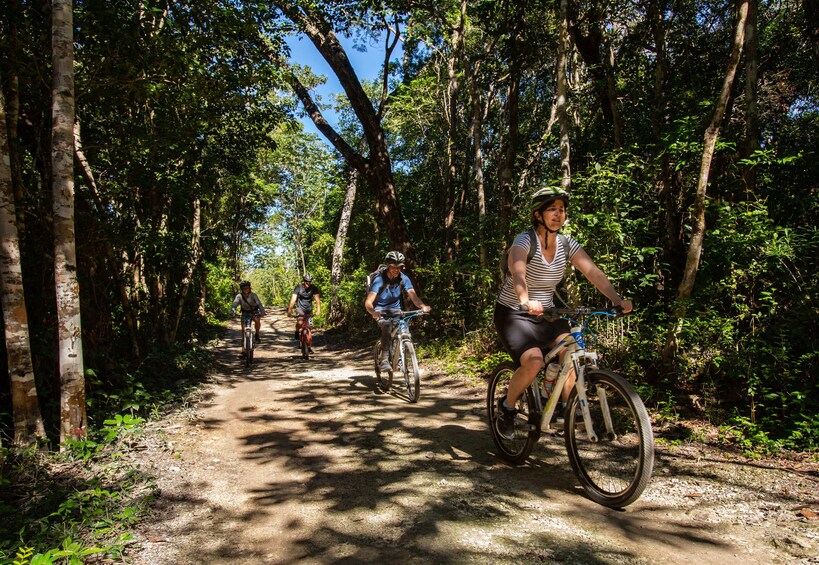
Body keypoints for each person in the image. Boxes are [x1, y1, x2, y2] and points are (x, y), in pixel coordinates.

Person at [493, 186, 633, 440]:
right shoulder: (524, 241)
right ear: (538, 215)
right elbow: (518, 272)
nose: (559, 214)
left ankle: (568, 412)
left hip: (548, 313)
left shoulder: (567, 244)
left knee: (572, 352)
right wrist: (526, 300)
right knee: (534, 361)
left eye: (562, 210)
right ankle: (507, 408)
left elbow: (593, 272)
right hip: (515, 313)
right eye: (552, 210)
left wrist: (616, 299)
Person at [364, 251, 431, 371]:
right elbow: (368, 302)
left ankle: (401, 360)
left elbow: (413, 296)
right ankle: (384, 359)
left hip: (396, 310)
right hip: (380, 310)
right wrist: (373, 312)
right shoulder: (379, 280)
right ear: (388, 266)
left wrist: (422, 306)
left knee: (404, 328)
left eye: (399, 267)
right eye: (393, 267)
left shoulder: (403, 278)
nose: (396, 270)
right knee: (386, 326)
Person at [287, 273, 321, 347]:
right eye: (306, 281)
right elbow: (293, 299)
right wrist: (289, 310)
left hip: (309, 308)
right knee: (300, 321)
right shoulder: (298, 287)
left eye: (309, 282)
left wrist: (318, 310)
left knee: (309, 327)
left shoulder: (314, 288)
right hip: (300, 308)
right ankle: (297, 331)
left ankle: (309, 346)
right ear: (304, 281)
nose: (308, 283)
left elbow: (317, 300)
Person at [230, 281, 265, 350]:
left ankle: (257, 334)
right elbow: (234, 305)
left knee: (257, 320)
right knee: (243, 331)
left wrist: (262, 311)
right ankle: (243, 350)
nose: (245, 289)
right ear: (241, 289)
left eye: (247, 288)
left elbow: (259, 304)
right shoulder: (239, 296)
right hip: (245, 313)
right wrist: (232, 311)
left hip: (254, 311)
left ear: (249, 288)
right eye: (244, 288)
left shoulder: (253, 295)